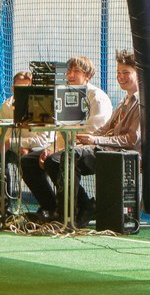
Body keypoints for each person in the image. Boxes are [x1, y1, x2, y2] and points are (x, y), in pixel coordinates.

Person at [31, 50, 141, 228]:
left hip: (120, 153)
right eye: (118, 72)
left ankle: (69, 217)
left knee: (67, 156)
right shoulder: (124, 101)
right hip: (104, 148)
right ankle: (75, 208)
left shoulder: (140, 103)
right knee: (51, 159)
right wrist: (87, 139)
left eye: (126, 72)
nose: (121, 77)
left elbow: (131, 139)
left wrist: (95, 140)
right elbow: (105, 129)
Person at [21, 55, 113, 223]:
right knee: (28, 161)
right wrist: (50, 149)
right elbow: (60, 131)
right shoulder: (64, 94)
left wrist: (57, 151)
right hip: (65, 148)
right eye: (69, 71)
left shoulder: (97, 97)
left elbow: (92, 134)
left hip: (91, 149)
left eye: (76, 71)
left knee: (55, 161)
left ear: (88, 75)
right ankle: (51, 208)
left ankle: (82, 207)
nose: (70, 75)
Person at [1, 70, 54, 209]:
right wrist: (18, 146)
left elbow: (42, 139)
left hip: (41, 147)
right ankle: (4, 206)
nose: (23, 93)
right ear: (13, 88)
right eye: (19, 88)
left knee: (29, 161)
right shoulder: (7, 106)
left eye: (27, 89)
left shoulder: (42, 105)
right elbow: (6, 135)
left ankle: (50, 206)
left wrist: (20, 144)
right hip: (16, 147)